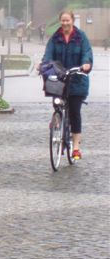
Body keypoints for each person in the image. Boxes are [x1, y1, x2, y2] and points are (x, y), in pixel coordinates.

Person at [39, 10, 93, 160]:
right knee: (57, 103)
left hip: (77, 80)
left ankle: (76, 147)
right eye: (62, 21)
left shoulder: (81, 37)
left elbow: (86, 53)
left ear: (72, 21)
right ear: (60, 21)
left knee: (75, 112)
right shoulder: (55, 38)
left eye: (67, 20)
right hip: (60, 79)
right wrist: (43, 64)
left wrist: (86, 64)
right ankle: (57, 121)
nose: (65, 23)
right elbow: (48, 54)